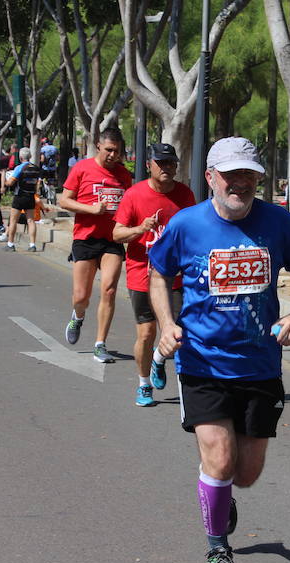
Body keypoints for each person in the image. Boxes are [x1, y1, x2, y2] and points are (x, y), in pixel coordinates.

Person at [148, 137, 290, 563]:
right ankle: (217, 548)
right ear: (210, 178)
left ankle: (220, 496)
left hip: (261, 364)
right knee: (220, 459)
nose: (240, 184)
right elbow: (159, 274)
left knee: (245, 474)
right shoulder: (186, 224)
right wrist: (166, 324)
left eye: (248, 175)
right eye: (231, 175)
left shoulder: (279, 222)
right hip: (202, 362)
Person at [112, 142, 195, 407]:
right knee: (147, 333)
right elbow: (116, 233)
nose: (166, 168)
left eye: (170, 163)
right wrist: (140, 228)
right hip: (141, 273)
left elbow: (192, 233)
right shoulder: (134, 195)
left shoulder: (185, 195)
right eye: (161, 163)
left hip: (176, 277)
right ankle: (143, 384)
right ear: (149, 165)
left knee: (177, 332)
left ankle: (160, 359)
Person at [59, 127, 133, 364]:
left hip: (112, 239)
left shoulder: (124, 175)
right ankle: (78, 316)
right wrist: (92, 209)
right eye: (109, 150)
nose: (113, 155)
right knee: (81, 295)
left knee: (109, 289)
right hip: (85, 238)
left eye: (118, 151)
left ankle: (100, 344)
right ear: (99, 146)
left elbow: (129, 205)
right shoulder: (82, 168)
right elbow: (64, 200)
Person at [0, 147, 42, 252]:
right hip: (31, 196)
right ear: (30, 156)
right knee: (31, 221)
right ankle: (32, 244)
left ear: (21, 157)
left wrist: (5, 181)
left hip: (19, 196)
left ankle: (10, 244)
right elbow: (38, 182)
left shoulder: (20, 168)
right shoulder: (36, 168)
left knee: (13, 220)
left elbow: (10, 182)